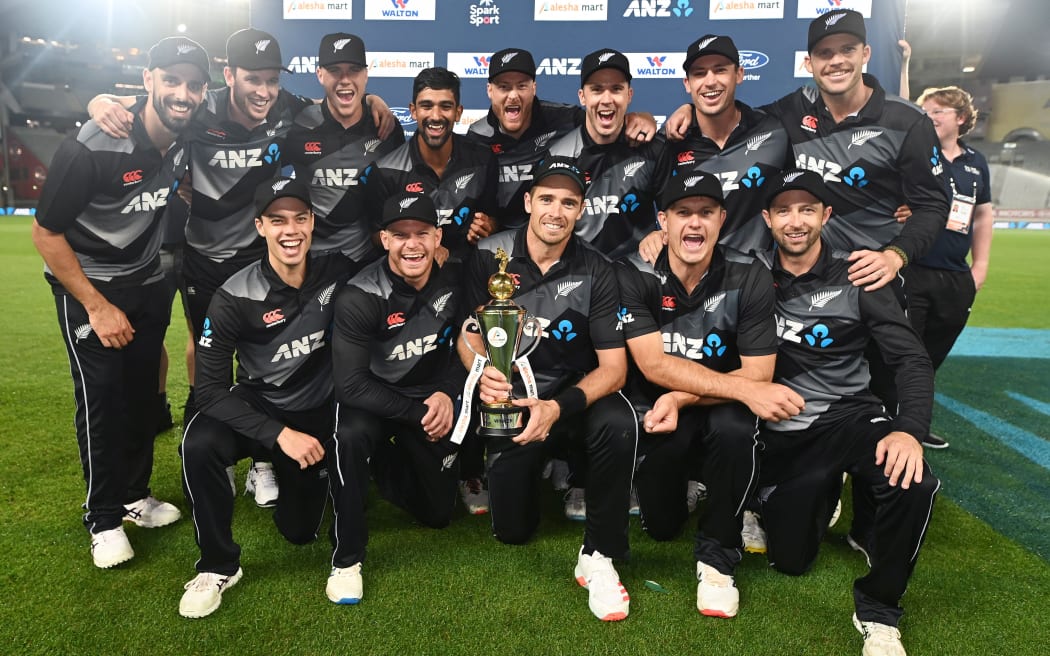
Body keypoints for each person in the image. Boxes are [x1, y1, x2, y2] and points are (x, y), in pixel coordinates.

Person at [31, 36, 210, 568]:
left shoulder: (188, 131)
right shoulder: (91, 145)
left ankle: (134, 497)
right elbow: (45, 233)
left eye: (194, 85)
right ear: (149, 80)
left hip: (146, 281)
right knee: (102, 400)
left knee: (138, 396)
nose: (183, 93)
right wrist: (96, 305)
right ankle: (103, 517)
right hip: (89, 290)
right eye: (172, 80)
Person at [758, 169, 939, 656]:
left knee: (914, 479)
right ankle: (816, 492)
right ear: (767, 218)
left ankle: (879, 610)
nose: (796, 222)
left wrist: (909, 430)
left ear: (826, 215)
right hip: (779, 430)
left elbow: (910, 358)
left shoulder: (857, 275)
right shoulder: (747, 275)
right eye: (784, 211)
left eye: (808, 210)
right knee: (790, 560)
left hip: (847, 416)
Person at [616, 172, 803, 618]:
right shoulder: (634, 272)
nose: (694, 225)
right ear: (663, 220)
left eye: (705, 213)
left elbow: (760, 371)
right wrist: (737, 388)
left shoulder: (749, 272)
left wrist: (684, 397)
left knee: (738, 428)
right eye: (682, 213)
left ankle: (718, 557)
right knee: (660, 528)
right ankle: (695, 484)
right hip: (659, 409)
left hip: (709, 407)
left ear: (722, 219)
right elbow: (653, 366)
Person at [458, 157, 637, 622]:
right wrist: (484, 373)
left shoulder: (598, 268)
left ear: (581, 210)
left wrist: (556, 408)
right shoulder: (488, 255)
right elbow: (471, 333)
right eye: (547, 199)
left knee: (619, 421)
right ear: (528, 201)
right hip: (513, 403)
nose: (556, 211)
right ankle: (550, 468)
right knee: (512, 531)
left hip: (572, 402)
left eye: (569, 202)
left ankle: (600, 555)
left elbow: (614, 369)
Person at [178, 176, 357, 618]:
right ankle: (218, 565)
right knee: (198, 442)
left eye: (300, 218)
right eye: (277, 220)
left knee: (298, 532)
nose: (290, 230)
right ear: (260, 226)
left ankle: (293, 479)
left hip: (316, 412)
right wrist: (279, 435)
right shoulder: (233, 295)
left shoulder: (339, 270)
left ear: (313, 222)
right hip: (260, 409)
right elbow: (209, 391)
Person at [327, 192, 467, 605]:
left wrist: (447, 391)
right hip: (373, 401)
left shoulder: (453, 279)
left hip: (427, 397)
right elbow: (349, 384)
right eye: (400, 235)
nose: (412, 245)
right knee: (350, 437)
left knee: (439, 515)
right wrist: (419, 411)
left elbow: (467, 346)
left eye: (422, 233)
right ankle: (347, 558)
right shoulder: (360, 294)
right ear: (384, 239)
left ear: (437, 237)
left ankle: (384, 467)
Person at [466, 47, 657, 229]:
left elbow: (603, 120)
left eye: (522, 86)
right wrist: (486, 223)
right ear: (490, 91)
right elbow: (473, 198)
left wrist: (642, 118)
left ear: (534, 88)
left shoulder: (565, 118)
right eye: (504, 87)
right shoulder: (478, 135)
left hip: (553, 229)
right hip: (502, 233)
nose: (513, 95)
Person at [645, 34, 791, 260]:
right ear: (687, 84)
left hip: (755, 281)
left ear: (739, 74)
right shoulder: (668, 142)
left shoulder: (773, 130)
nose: (710, 81)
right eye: (699, 73)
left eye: (720, 70)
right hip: (688, 284)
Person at [907, 86, 993, 448]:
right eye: (926, 110)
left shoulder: (976, 162)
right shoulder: (915, 155)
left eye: (939, 110)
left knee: (932, 356)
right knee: (903, 354)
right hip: (912, 269)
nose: (931, 116)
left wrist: (981, 266)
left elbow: (983, 214)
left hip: (956, 276)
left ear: (960, 118)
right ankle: (891, 422)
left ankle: (916, 423)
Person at [284, 32, 405, 263]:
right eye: (334, 71)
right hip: (311, 263)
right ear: (320, 74)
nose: (345, 79)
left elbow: (400, 191)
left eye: (354, 70)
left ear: (366, 75)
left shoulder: (386, 126)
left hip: (369, 262)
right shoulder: (299, 124)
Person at [361, 67, 499, 264]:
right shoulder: (385, 171)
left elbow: (494, 218)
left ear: (458, 113)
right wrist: (421, 246)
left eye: (445, 106)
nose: (435, 116)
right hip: (410, 277)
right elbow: (377, 236)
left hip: (468, 274)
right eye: (426, 106)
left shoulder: (484, 160)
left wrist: (488, 226)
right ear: (413, 111)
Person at [545, 48, 668, 261]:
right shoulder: (559, 157)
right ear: (582, 97)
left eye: (616, 89)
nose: (607, 99)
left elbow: (677, 215)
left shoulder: (653, 149)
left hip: (639, 276)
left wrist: (662, 234)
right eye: (597, 89)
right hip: (580, 277)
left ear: (629, 95)